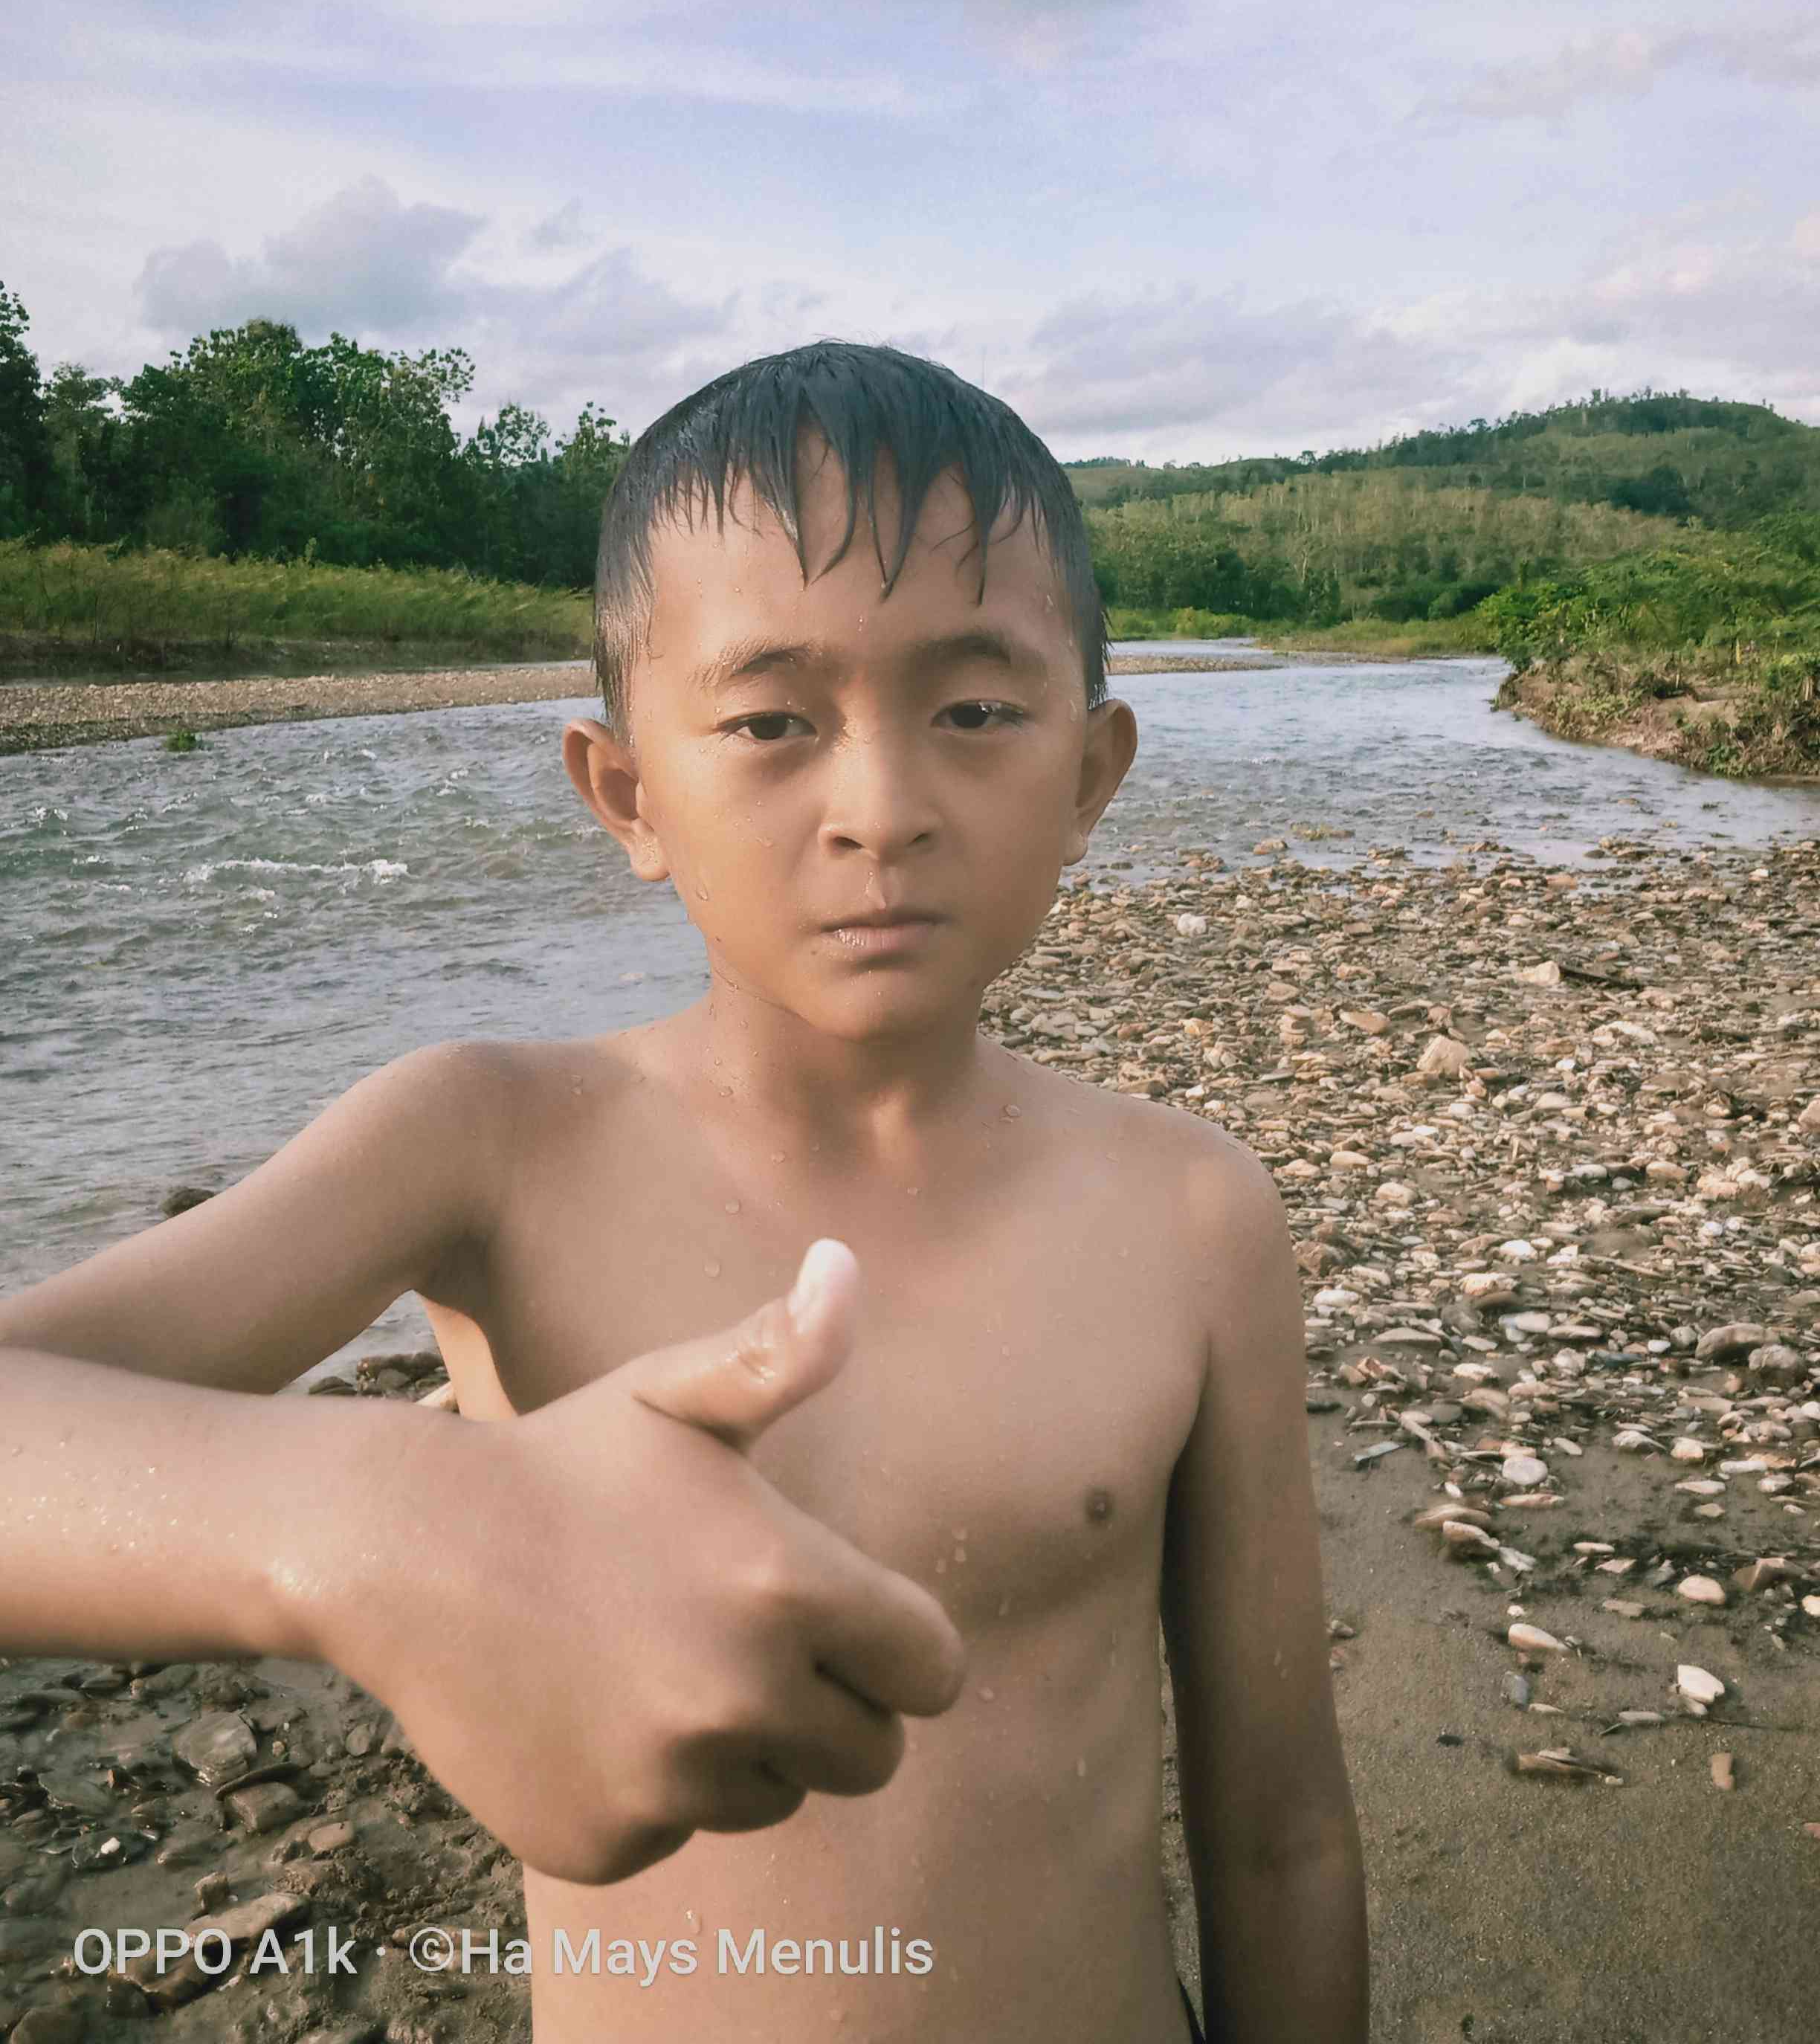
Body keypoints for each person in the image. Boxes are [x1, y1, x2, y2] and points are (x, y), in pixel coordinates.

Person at [0, 341, 1367, 2043]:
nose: (878, 809)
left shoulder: (1191, 1216)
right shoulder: (487, 1145)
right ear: (628, 794)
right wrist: (375, 1519)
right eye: (772, 722)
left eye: (975, 710)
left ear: (1089, 771)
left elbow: (1283, 1832)